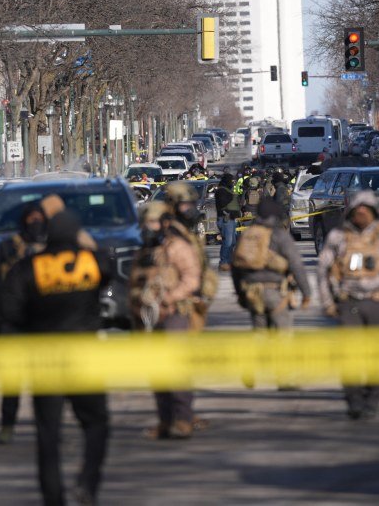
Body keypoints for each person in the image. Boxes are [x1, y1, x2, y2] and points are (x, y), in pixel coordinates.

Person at [0, 209, 115, 506]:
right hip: (86, 359)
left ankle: (53, 498)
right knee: (96, 424)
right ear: (77, 234)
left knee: (48, 434)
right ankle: (88, 483)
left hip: (45, 360)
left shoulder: (29, 267)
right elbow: (108, 268)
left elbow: (9, 310)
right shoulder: (92, 262)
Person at [317, 191, 379, 420]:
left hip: (377, 302)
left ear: (374, 211)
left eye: (366, 209)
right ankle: (354, 401)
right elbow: (323, 269)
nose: (361, 213)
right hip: (348, 303)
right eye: (357, 209)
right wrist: (328, 302)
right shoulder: (338, 236)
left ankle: (372, 401)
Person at [128, 183, 211, 440]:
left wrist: (168, 299)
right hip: (151, 319)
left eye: (152, 223)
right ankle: (166, 420)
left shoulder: (177, 245)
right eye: (145, 224)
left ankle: (183, 419)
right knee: (158, 373)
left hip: (176, 313)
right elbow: (134, 281)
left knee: (178, 371)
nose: (148, 228)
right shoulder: (145, 251)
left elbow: (192, 277)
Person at [0, 195, 66, 445]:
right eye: (31, 219)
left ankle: (50, 430)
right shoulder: (8, 248)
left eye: (40, 219)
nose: (35, 223)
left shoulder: (52, 248)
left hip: (45, 326)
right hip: (15, 324)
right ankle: (7, 427)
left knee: (47, 385)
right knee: (12, 383)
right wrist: (12, 290)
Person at [231, 197, 314, 332]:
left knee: (260, 335)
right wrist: (306, 292)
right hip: (275, 291)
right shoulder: (280, 236)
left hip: (252, 292)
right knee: (282, 337)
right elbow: (296, 264)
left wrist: (241, 293)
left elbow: (236, 266)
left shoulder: (248, 235)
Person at [214, 173, 242, 271]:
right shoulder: (221, 191)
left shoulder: (227, 190)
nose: (233, 183)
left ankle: (229, 261)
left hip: (231, 219)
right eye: (231, 181)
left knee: (232, 242)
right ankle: (224, 262)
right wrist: (232, 196)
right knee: (228, 242)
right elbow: (223, 203)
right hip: (225, 219)